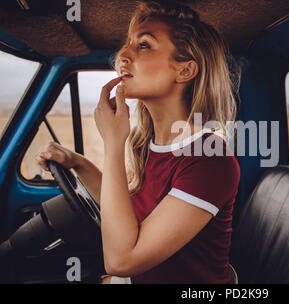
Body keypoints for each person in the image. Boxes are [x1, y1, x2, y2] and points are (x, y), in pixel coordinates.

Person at [36, 0, 240, 284]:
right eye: (128, 43)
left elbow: (121, 260)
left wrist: (113, 142)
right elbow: (127, 211)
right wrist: (77, 162)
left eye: (143, 45)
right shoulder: (153, 144)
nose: (123, 54)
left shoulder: (210, 159)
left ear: (185, 71)